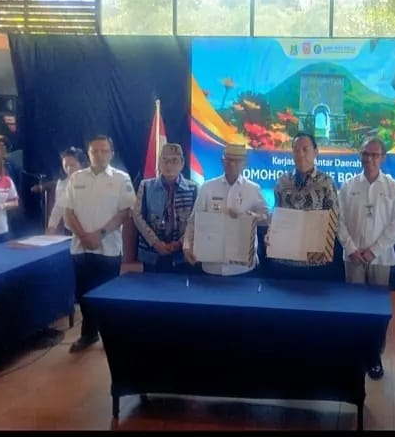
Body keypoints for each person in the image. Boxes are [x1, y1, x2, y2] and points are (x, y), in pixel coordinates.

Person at [337, 136, 395, 380]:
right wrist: (351, 248)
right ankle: (355, 354)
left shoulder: (394, 187)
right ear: (360, 156)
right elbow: (339, 221)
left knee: (377, 312)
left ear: (383, 158)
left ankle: (375, 356)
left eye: (375, 155)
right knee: (354, 307)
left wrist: (374, 250)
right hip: (353, 257)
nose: (370, 159)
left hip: (381, 258)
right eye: (366, 154)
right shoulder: (348, 186)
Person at [64, 135, 136, 353]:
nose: (99, 155)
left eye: (104, 151)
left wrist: (100, 234)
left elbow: (126, 212)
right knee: (84, 295)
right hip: (80, 246)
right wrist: (84, 236)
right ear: (88, 154)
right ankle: (88, 334)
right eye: (95, 151)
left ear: (111, 154)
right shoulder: (76, 178)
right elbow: (68, 212)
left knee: (107, 294)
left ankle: (111, 336)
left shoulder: (121, 178)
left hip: (109, 247)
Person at [265, 132, 343, 282]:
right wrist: (270, 233)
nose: (301, 154)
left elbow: (334, 221)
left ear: (316, 152)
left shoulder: (326, 183)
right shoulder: (282, 182)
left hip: (314, 263)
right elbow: (276, 215)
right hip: (284, 260)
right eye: (296, 150)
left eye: (305, 149)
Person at [183, 143, 268, 276]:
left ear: (244, 163)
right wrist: (187, 245)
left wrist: (252, 217)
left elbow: (266, 217)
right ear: (222, 161)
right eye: (228, 159)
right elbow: (193, 221)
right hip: (211, 265)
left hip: (242, 268)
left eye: (236, 160)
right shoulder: (207, 188)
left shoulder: (253, 189)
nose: (232, 164)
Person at [132, 144, 198, 274]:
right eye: (165, 160)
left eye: (174, 161)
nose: (169, 165)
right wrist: (155, 242)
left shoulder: (193, 188)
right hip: (152, 253)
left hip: (182, 254)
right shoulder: (146, 186)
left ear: (182, 163)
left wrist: (180, 243)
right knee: (151, 286)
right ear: (159, 163)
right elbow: (137, 216)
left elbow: (196, 220)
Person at [45, 147, 88, 235]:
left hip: (90, 229)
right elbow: (58, 207)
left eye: (72, 165)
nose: (69, 169)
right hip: (70, 230)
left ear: (82, 164)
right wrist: (51, 227)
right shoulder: (62, 183)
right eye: (66, 166)